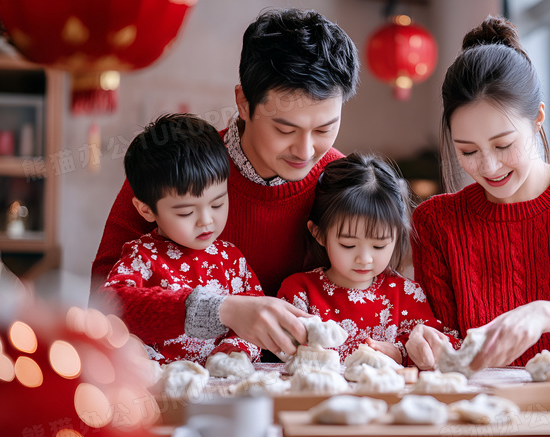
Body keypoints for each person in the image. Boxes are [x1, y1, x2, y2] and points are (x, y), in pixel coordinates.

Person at [90, 8, 360, 358]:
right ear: (244, 103)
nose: (306, 150)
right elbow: (101, 305)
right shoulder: (177, 169)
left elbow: (379, 291)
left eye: (324, 129)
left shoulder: (345, 182)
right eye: (285, 129)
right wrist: (223, 310)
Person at [407, 16, 550, 371]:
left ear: (537, 120)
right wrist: (425, 344)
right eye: (467, 151)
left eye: (503, 145)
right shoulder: (435, 222)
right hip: (490, 415)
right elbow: (449, 340)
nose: (489, 167)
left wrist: (542, 313)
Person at [98, 113, 264, 365]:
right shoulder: (142, 256)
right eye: (186, 212)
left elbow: (256, 315)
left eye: (218, 203)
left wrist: (234, 351)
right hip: (159, 385)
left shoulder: (231, 260)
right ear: (146, 210)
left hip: (221, 382)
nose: (206, 220)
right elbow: (111, 303)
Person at [277, 153, 460, 365]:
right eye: (348, 245)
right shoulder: (300, 293)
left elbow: (446, 347)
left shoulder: (406, 295)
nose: (364, 259)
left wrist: (401, 353)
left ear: (397, 236)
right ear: (318, 234)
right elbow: (279, 348)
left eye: (379, 245)